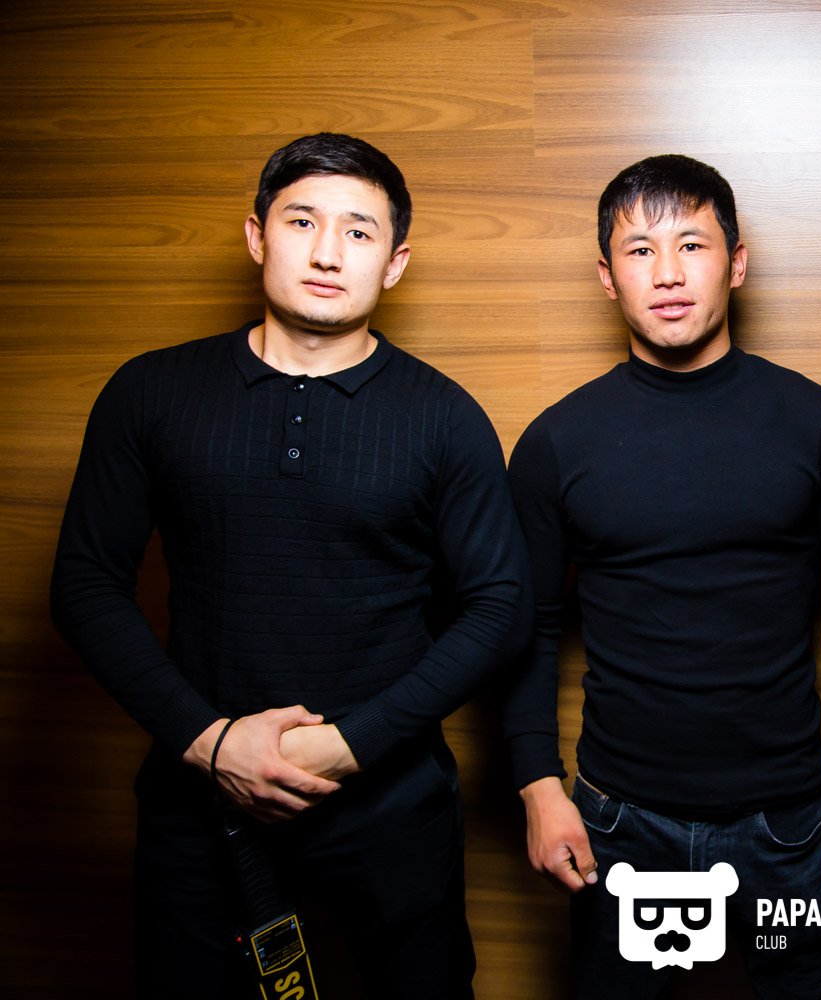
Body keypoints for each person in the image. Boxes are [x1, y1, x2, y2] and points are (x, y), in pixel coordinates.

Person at [51, 132, 532, 999]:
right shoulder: (149, 392)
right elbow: (85, 584)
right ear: (256, 236)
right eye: (302, 221)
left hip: (390, 806)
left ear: (394, 263)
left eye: (358, 231)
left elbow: (500, 607)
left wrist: (349, 746)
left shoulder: (445, 416)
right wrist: (211, 743)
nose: (326, 252)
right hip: (198, 801)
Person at [501, 154, 821, 999]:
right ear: (607, 276)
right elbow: (525, 628)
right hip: (618, 824)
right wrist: (537, 787)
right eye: (640, 251)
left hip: (792, 827)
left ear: (736, 262)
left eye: (692, 245)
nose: (669, 273)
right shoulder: (556, 443)